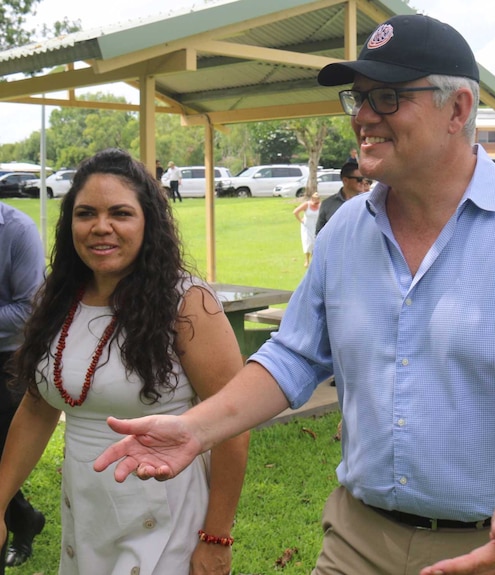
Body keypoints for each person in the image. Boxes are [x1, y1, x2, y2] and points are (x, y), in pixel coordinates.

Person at [94, 14, 495, 575]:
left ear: (458, 110)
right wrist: (195, 428)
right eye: (357, 98)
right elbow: (293, 357)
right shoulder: (345, 231)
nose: (362, 117)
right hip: (357, 539)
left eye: (386, 97)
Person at [0, 148, 249, 574]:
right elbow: (38, 407)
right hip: (86, 513)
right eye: (85, 214)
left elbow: (233, 426)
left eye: (120, 213)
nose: (101, 227)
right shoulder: (58, 299)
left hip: (166, 518)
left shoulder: (186, 303)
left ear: (147, 222)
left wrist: (216, 537)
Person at [0, 202, 45, 571]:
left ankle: (21, 524)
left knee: (5, 455)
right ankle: (25, 519)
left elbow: (28, 309)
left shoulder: (18, 231)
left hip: (9, 362)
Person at [314, 161, 367, 235]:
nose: (363, 182)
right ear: (345, 180)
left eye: (364, 179)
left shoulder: (368, 203)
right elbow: (319, 234)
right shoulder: (328, 204)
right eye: (359, 179)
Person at [293, 192, 321, 267]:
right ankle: (307, 260)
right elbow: (295, 212)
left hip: (315, 226)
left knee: (315, 243)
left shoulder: (320, 205)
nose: (317, 201)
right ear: (312, 199)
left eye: (318, 199)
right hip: (306, 226)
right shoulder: (307, 204)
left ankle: (315, 260)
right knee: (308, 242)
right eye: (315, 199)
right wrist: (301, 220)